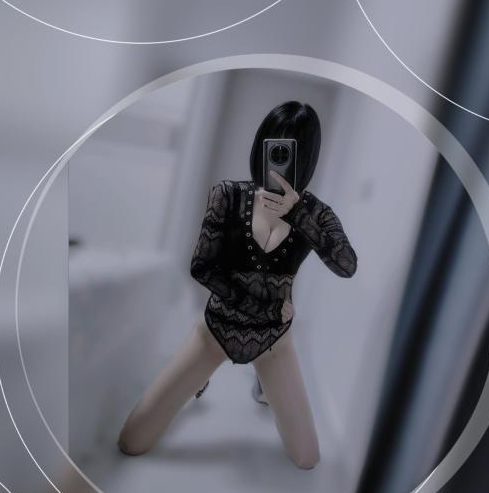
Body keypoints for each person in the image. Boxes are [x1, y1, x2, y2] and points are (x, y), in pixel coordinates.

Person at [117, 101, 357, 468]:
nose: (278, 159)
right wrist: (264, 305)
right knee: (132, 442)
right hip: (215, 331)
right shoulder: (228, 195)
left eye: (290, 150)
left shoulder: (315, 213)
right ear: (261, 144)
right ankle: (200, 380)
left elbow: (346, 265)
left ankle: (262, 384)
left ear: (306, 156)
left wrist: (297, 214)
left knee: (307, 459)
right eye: (274, 145)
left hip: (273, 341)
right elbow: (202, 267)